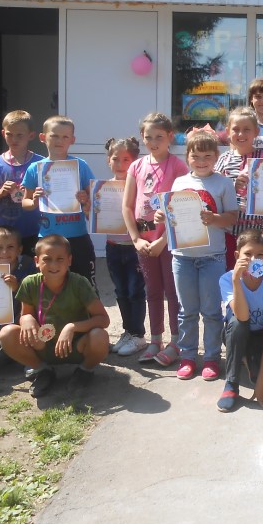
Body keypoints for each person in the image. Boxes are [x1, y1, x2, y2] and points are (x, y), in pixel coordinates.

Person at [163, 131, 238, 380]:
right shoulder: (179, 182)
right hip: (181, 256)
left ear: (216, 156)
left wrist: (214, 218)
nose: (202, 161)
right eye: (196, 156)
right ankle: (187, 357)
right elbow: (173, 216)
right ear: (188, 157)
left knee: (211, 312)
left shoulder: (223, 183)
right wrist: (163, 216)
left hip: (212, 257)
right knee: (186, 311)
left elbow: (232, 217)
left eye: (207, 156)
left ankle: (211, 358)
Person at [0, 234, 111, 398]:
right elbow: (25, 314)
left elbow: (103, 319)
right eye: (47, 259)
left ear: (69, 260)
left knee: (100, 336)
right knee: (7, 333)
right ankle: (42, 370)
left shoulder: (79, 283)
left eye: (60, 259)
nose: (53, 265)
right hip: (42, 345)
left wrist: (72, 327)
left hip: (76, 346)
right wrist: (27, 319)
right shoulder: (30, 283)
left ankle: (84, 370)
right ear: (37, 261)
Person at [122, 112, 188, 364]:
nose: (153, 142)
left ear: (170, 136)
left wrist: (164, 241)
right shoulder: (136, 166)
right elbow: (127, 206)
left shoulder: (178, 166)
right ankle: (155, 339)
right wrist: (136, 239)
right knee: (152, 292)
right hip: (144, 242)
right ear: (142, 137)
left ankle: (176, 341)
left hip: (168, 242)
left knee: (172, 292)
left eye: (159, 137)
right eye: (148, 137)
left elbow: (181, 207)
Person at [21, 115, 96, 289]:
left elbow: (93, 200)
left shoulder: (80, 165)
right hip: (48, 238)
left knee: (85, 285)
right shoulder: (35, 168)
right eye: (54, 136)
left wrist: (85, 200)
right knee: (50, 285)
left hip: (77, 236)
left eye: (65, 137)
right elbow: (25, 203)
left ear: (72, 140)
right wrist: (34, 201)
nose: (59, 141)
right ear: (43, 137)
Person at [216, 229, 263, 412]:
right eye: (247, 254)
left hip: (261, 337)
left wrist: (261, 384)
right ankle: (231, 383)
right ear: (237, 256)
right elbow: (242, 317)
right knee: (237, 324)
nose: (253, 259)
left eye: (260, 255)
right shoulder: (227, 279)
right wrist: (236, 280)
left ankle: (249, 362)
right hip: (236, 333)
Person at [102, 136, 146, 358]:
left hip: (133, 247)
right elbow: (96, 217)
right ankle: (128, 331)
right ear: (108, 160)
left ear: (135, 161)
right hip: (112, 246)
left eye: (126, 159)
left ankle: (138, 335)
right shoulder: (102, 188)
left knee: (134, 291)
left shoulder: (139, 186)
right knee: (120, 291)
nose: (120, 164)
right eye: (115, 159)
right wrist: (89, 205)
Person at [214, 106, 263, 270]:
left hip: (256, 232)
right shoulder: (223, 160)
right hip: (228, 231)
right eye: (236, 129)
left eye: (247, 129)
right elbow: (214, 191)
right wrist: (232, 186)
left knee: (253, 272)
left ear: (256, 132)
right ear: (227, 131)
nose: (241, 134)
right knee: (230, 271)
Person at [0, 226, 36, 370]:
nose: (4, 252)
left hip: (26, 319)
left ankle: (30, 357)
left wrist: (18, 288)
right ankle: (14, 352)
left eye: (10, 247)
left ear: (19, 250)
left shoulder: (28, 266)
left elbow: (39, 298)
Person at [0, 110, 43, 257]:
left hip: (33, 231)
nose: (14, 139)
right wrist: (1, 192)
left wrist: (32, 193)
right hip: (3, 235)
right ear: (3, 133)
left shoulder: (41, 163)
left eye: (20, 135)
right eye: (9, 134)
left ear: (31, 135)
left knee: (30, 269)